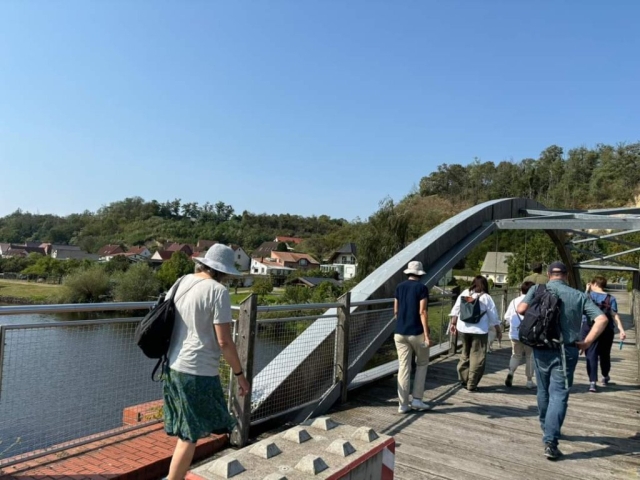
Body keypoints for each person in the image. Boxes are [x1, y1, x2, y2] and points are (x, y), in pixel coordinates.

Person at [162, 244, 251, 480]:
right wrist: (240, 375)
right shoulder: (218, 291)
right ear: (223, 271)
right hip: (197, 370)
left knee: (186, 431)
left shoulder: (181, 282)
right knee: (189, 436)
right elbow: (224, 342)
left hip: (172, 365)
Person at [517, 261, 607, 460]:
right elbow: (602, 319)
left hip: (540, 347)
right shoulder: (580, 295)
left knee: (543, 390)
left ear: (549, 274)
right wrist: (586, 342)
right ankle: (551, 441)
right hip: (566, 351)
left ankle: (546, 428)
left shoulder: (537, 289)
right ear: (566, 275)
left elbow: (521, 309)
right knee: (559, 394)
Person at [393, 260, 434, 413]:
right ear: (420, 274)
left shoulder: (399, 287)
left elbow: (395, 311)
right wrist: (427, 335)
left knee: (403, 367)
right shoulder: (422, 288)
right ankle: (417, 400)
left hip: (400, 333)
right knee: (422, 364)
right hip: (417, 332)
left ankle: (402, 405)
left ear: (408, 273)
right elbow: (422, 312)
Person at [449, 275, 501, 391]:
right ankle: (472, 384)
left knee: (465, 354)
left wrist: (453, 323)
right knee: (477, 357)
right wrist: (498, 329)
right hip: (479, 330)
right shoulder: (486, 297)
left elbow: (456, 309)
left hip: (463, 328)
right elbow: (493, 316)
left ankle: (463, 379)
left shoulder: (465, 293)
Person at [582, 276, 627, 392]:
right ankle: (605, 375)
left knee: (591, 354)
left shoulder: (588, 296)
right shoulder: (610, 298)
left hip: (590, 329)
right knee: (605, 354)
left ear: (594, 284)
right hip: (606, 330)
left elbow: (580, 307)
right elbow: (614, 315)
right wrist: (621, 330)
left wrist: (587, 290)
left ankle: (592, 382)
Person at [504, 281, 536, 389]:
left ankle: (511, 372)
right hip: (530, 334)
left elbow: (507, 317)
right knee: (530, 357)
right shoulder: (534, 302)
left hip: (515, 334)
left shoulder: (513, 301)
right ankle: (529, 381)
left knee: (516, 355)